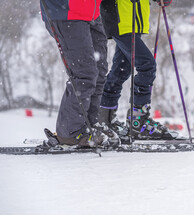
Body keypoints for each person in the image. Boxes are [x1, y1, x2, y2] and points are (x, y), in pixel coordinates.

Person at [40, 0, 117, 146]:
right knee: (85, 74)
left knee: (99, 73)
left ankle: (90, 125)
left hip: (92, 13)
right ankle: (70, 133)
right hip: (67, 12)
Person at [98, 0, 176, 140]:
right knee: (147, 66)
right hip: (121, 19)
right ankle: (138, 122)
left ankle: (105, 119)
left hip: (133, 20)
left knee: (121, 70)